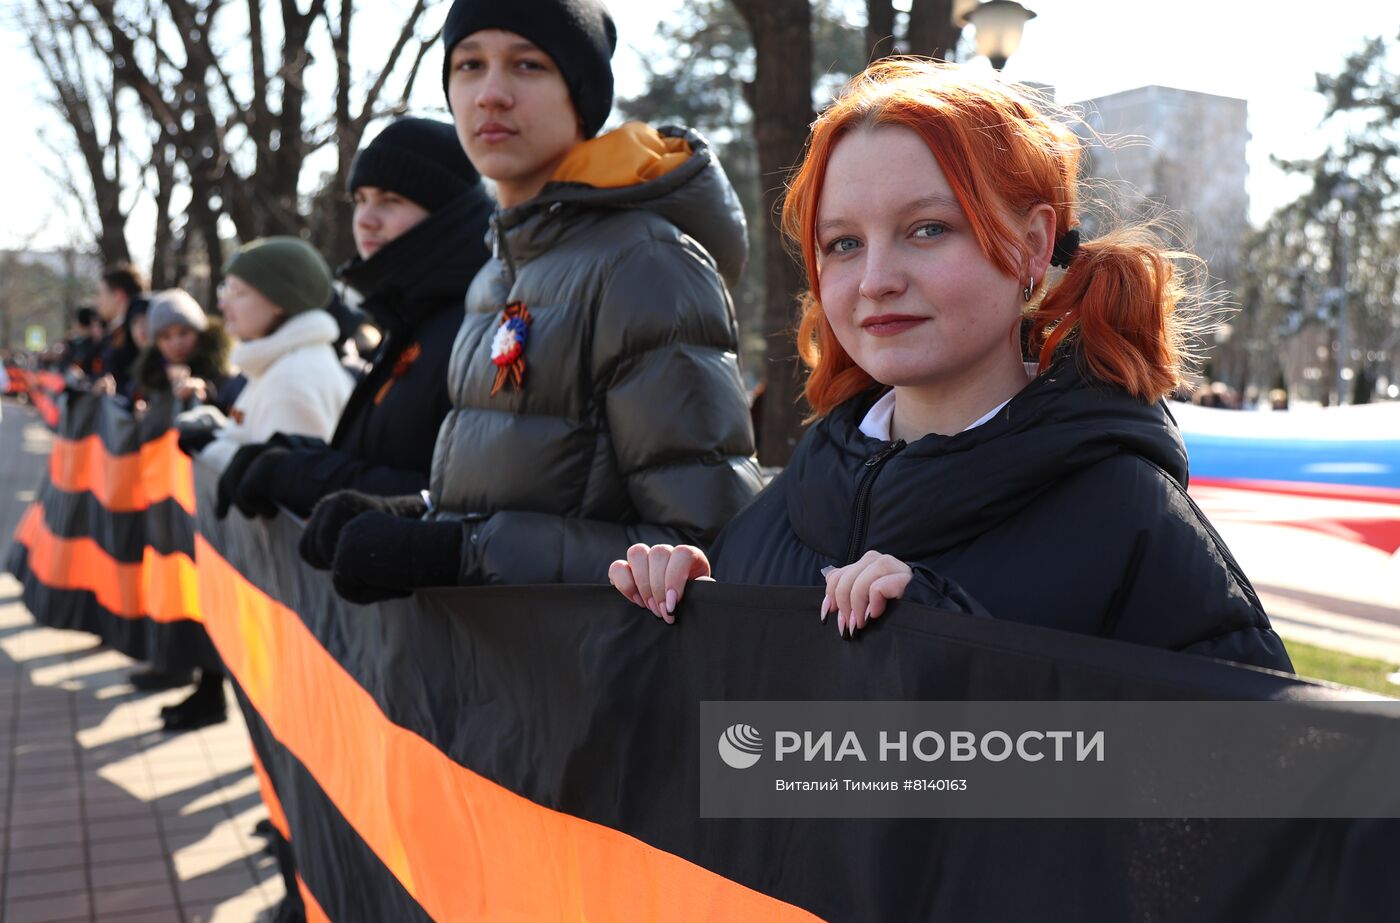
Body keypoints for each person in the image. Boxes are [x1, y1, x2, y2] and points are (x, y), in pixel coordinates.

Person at [608, 60, 1292, 673]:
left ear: (1031, 246)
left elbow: (1261, 779)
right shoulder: (776, 515)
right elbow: (744, 773)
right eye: (843, 243)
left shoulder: (1130, 521)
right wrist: (691, 616)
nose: (876, 278)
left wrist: (963, 656)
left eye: (928, 228)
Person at [300, 0, 762, 602]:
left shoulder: (646, 265)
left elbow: (710, 549)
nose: (490, 94)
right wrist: (416, 516)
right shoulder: (496, 273)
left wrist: (464, 554)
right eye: (468, 65)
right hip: (497, 691)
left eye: (527, 65)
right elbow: (530, 498)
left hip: (601, 692)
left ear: (582, 95)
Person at [213, 116, 493, 521]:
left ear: (445, 212)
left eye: (390, 200)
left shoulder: (475, 327)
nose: (365, 218)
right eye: (360, 199)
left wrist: (304, 475)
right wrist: (296, 456)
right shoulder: (411, 319)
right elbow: (392, 460)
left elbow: (462, 503)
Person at [127, 289, 232, 695]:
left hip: (201, 510)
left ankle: (211, 688)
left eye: (183, 333)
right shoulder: (154, 380)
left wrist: (202, 396)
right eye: (166, 335)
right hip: (164, 508)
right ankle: (179, 666)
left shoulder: (218, 377)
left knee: (208, 593)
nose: (175, 343)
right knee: (177, 590)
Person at [178, 237, 354, 474]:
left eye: (238, 293)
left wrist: (212, 448)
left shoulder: (293, 380)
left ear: (281, 301)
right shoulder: (279, 363)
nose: (223, 305)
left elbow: (285, 482)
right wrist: (220, 430)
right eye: (225, 289)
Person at [90, 263, 149, 400]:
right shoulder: (115, 332)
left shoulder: (137, 333)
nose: (97, 301)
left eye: (101, 293)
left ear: (118, 296)